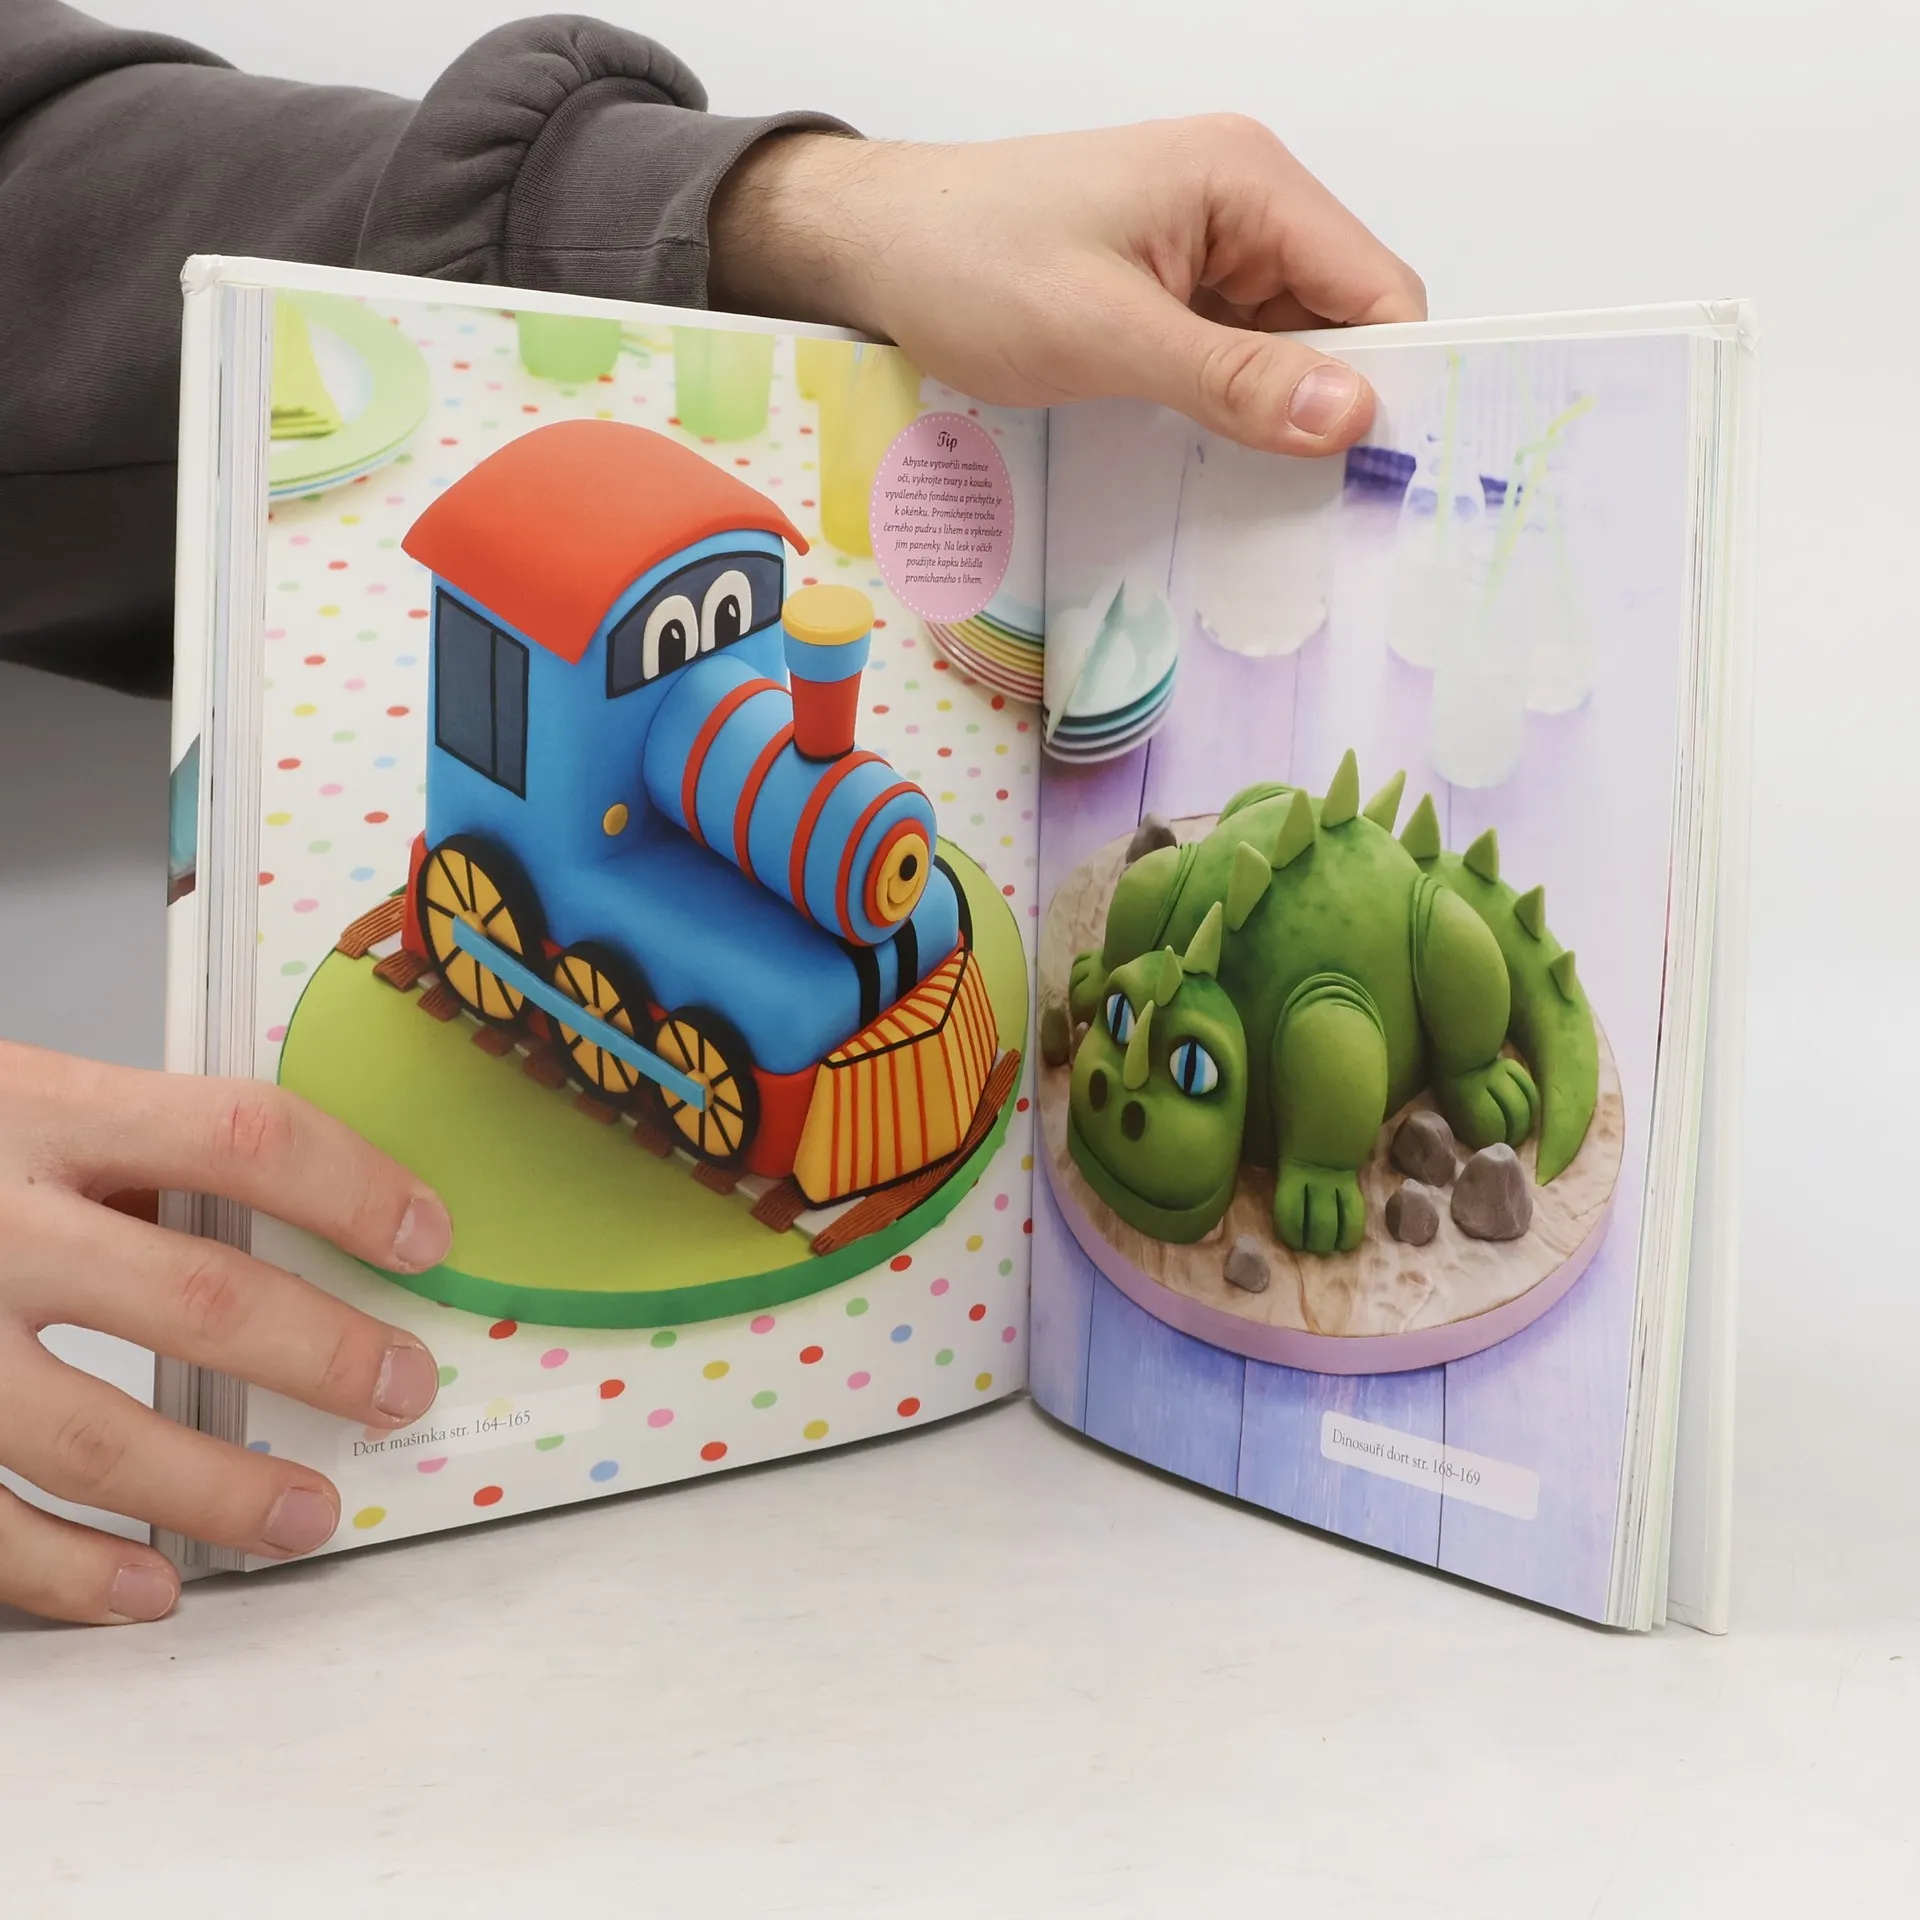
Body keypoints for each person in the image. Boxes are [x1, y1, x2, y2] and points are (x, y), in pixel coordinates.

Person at [0, 3, 1424, 1628]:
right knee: (771, 977)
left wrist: (774, 210)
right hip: (571, 842)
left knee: (875, 926)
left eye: (727, 618)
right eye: (683, 634)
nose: (711, 655)